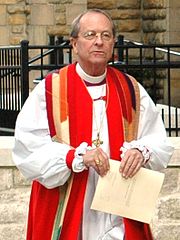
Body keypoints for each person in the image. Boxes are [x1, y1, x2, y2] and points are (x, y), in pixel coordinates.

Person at [12, 9, 173, 240]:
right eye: (90, 34)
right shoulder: (50, 90)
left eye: (106, 36)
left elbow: (158, 140)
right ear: (74, 44)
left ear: (113, 46)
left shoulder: (130, 89)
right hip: (67, 206)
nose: (99, 42)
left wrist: (141, 151)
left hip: (118, 209)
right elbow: (27, 147)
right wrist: (74, 157)